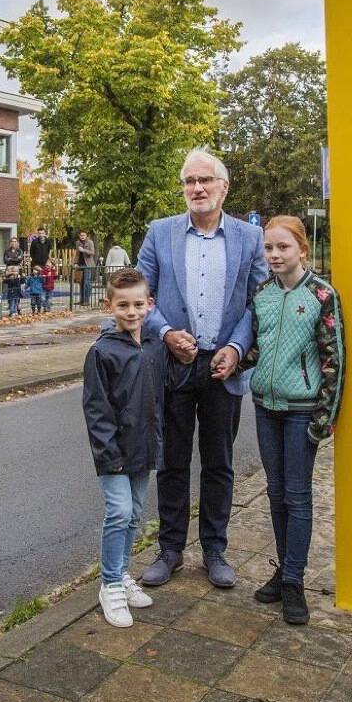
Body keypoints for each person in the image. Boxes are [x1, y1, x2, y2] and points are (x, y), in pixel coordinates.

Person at [139, 148, 268, 588]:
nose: (197, 188)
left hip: (222, 368)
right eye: (190, 181)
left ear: (223, 187)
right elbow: (142, 296)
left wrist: (237, 345)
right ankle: (170, 549)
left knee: (219, 463)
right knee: (171, 461)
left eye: (205, 181)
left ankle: (215, 550)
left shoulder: (250, 239)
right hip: (175, 364)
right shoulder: (160, 233)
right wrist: (165, 333)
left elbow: (259, 301)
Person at [242, 216, 344, 624]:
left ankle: (294, 582)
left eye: (283, 247)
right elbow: (256, 349)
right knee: (275, 492)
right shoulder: (263, 293)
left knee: (298, 496)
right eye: (269, 248)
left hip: (302, 411)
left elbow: (334, 358)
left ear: (302, 249)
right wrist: (229, 362)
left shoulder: (321, 295)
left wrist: (325, 418)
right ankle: (283, 570)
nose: (274, 255)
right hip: (266, 407)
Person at [83, 267, 188, 627]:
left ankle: (123, 574)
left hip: (144, 449)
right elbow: (97, 409)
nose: (131, 312)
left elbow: (164, 393)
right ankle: (110, 583)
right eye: (123, 305)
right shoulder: (102, 352)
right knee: (118, 512)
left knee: (135, 513)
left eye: (138, 304)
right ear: (109, 305)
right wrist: (108, 455)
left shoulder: (156, 348)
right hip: (114, 453)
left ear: (149, 305)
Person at [75, 231, 96, 306]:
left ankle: (86, 301)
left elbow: (93, 252)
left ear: (86, 235)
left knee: (86, 282)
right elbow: (77, 254)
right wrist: (75, 263)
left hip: (88, 264)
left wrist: (83, 250)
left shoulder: (90, 242)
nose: (82, 236)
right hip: (80, 265)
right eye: (81, 235)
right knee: (81, 283)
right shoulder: (77, 243)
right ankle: (81, 300)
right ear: (79, 235)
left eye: (84, 235)